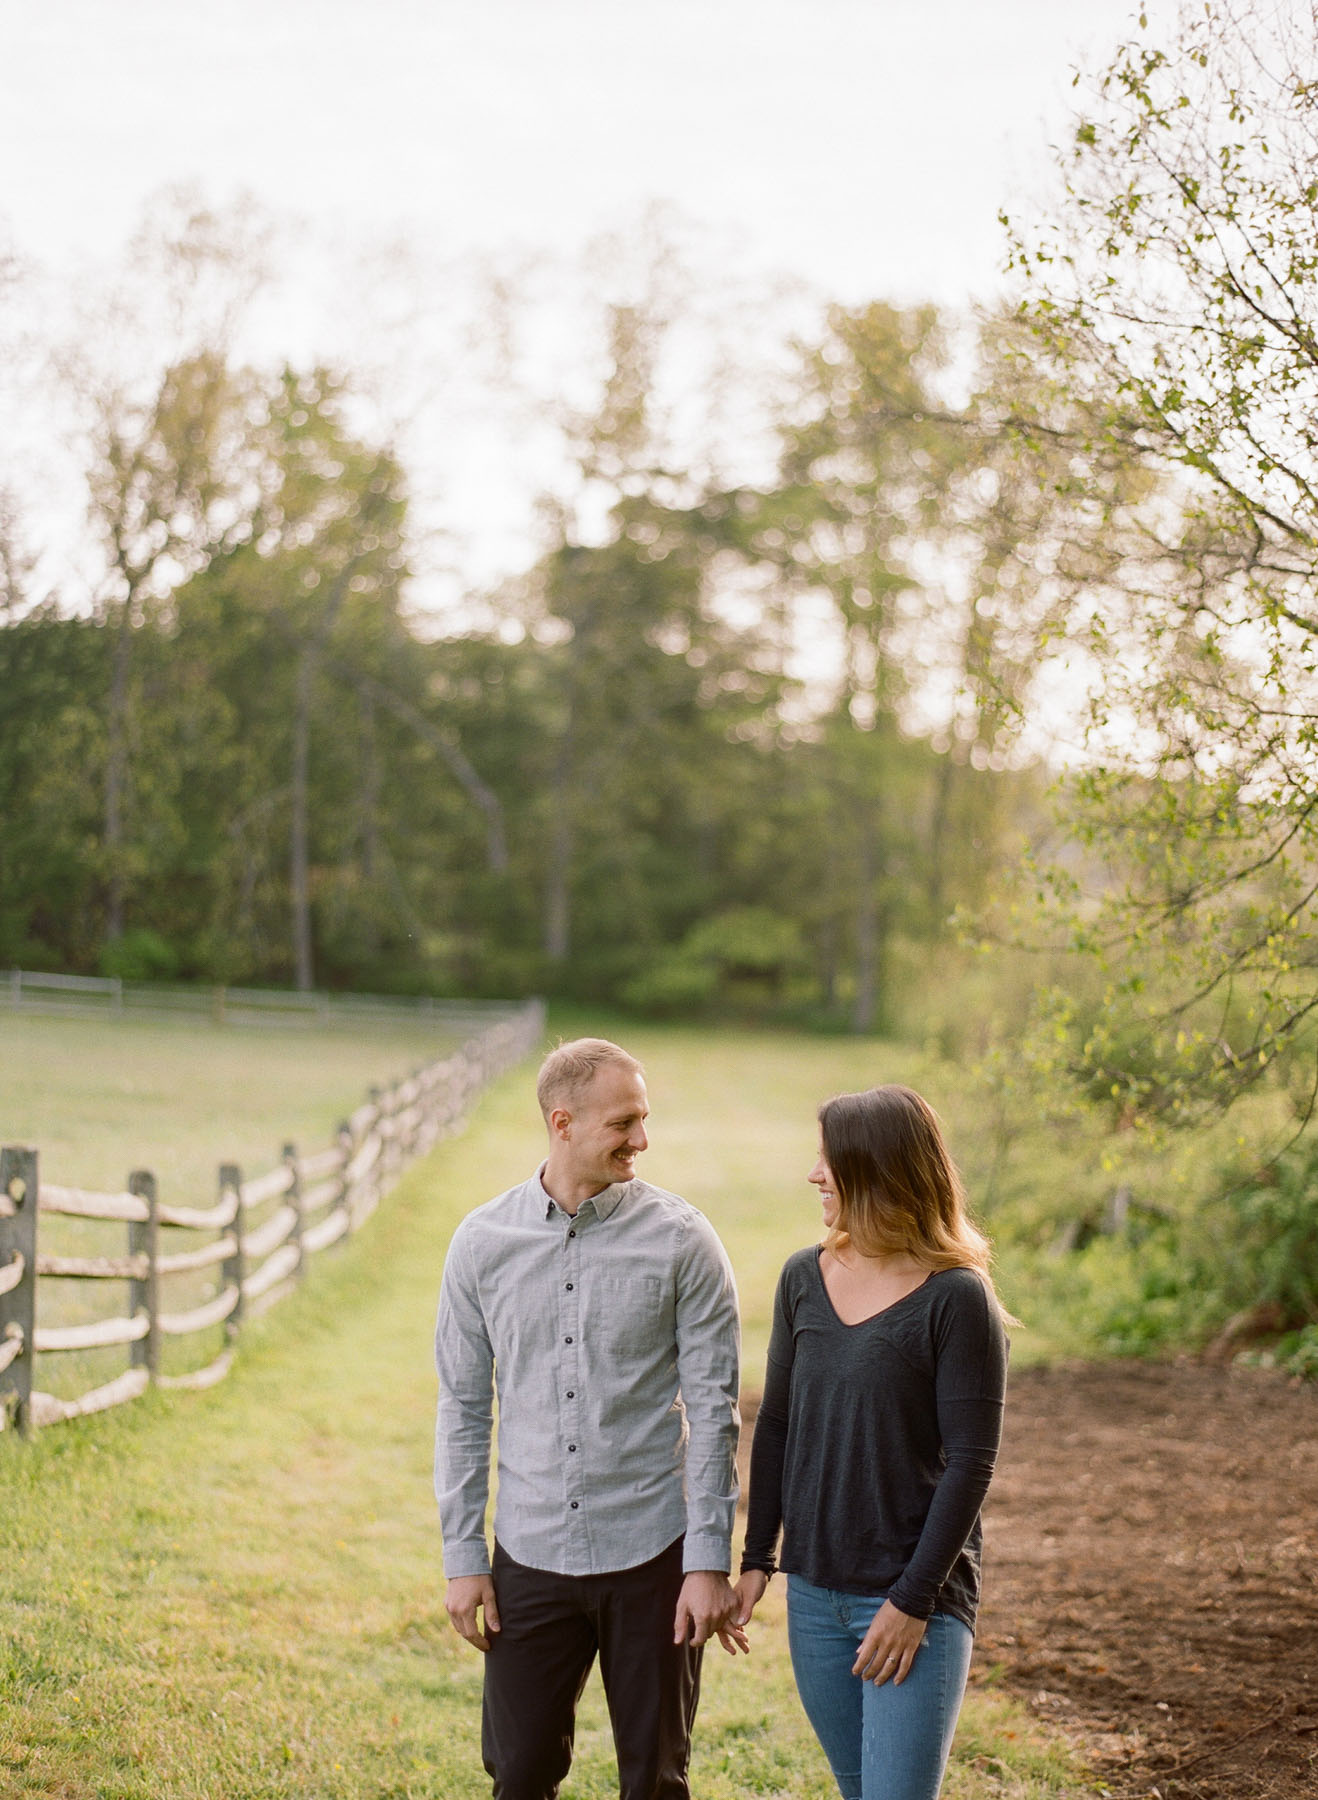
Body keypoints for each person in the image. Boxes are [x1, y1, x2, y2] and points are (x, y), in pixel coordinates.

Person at [435, 1036, 744, 1800]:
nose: (642, 1140)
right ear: (562, 1122)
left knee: (655, 1780)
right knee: (521, 1774)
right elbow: (465, 1407)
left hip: (653, 1556)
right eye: (624, 1123)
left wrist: (707, 1560)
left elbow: (714, 1411)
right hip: (529, 1557)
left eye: (644, 1120)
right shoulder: (481, 1244)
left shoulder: (683, 1242)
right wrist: (463, 1556)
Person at [733, 1084, 1009, 1800]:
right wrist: (760, 1558)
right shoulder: (804, 1277)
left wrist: (913, 1601)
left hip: (912, 1597)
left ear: (877, 1172)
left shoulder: (957, 1297)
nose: (814, 1176)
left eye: (828, 1162)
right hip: (816, 1594)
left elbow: (972, 1462)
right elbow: (779, 1424)